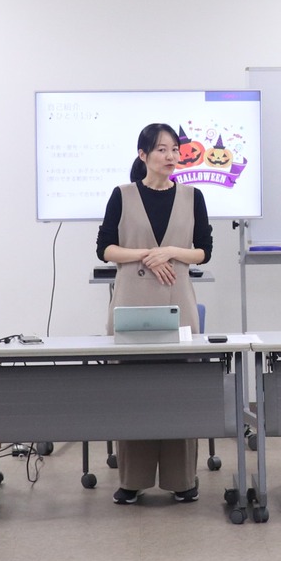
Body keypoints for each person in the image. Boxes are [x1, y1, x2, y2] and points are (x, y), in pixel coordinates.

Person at [97, 123, 212, 504]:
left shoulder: (192, 196)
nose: (171, 156)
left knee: (180, 391)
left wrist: (172, 252)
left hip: (178, 300)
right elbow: (105, 248)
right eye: (162, 149)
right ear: (143, 155)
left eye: (174, 149)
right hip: (131, 300)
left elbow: (204, 251)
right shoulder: (123, 194)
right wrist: (148, 255)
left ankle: (183, 479)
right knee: (134, 392)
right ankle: (133, 480)